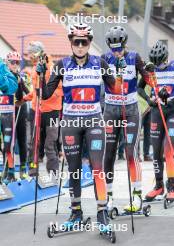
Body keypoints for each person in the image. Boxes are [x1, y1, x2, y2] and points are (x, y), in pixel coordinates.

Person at [39, 23, 117, 229]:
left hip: (94, 121)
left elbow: (116, 89)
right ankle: (76, 213)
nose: (80, 46)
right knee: (73, 170)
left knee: (97, 168)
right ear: (71, 43)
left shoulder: (100, 63)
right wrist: (40, 76)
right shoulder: (61, 65)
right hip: (71, 123)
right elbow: (45, 95)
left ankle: (102, 212)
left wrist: (119, 72)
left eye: (84, 42)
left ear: (90, 43)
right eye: (76, 42)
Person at [102, 26, 149, 212]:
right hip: (111, 110)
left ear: (124, 43)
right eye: (113, 49)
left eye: (119, 48)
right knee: (109, 154)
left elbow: (147, 78)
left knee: (131, 152)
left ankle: (137, 197)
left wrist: (150, 72)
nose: (117, 52)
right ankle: (108, 196)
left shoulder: (134, 57)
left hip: (130, 111)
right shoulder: (105, 59)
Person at [138, 41, 174, 201]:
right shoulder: (150, 70)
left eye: (161, 63)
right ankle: (158, 186)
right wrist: (149, 100)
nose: (159, 67)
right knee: (156, 152)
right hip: (156, 111)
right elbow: (139, 88)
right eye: (156, 63)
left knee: (169, 149)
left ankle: (172, 187)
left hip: (173, 111)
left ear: (166, 59)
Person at [22, 41, 63, 175]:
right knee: (34, 143)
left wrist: (47, 96)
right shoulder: (35, 68)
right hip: (36, 110)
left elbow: (61, 90)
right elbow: (35, 91)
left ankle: (53, 173)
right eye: (29, 55)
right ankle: (33, 173)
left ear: (39, 53)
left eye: (31, 54)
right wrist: (24, 99)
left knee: (50, 144)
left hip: (51, 111)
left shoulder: (52, 68)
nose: (29, 57)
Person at [5, 51, 30, 181]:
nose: (15, 65)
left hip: (20, 109)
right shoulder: (3, 76)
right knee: (8, 141)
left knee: (22, 139)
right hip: (7, 110)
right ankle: (9, 171)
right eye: (12, 62)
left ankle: (23, 169)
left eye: (17, 62)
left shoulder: (21, 76)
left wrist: (21, 83)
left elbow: (27, 93)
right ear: (7, 63)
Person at [0, 57, 18, 183]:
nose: (15, 65)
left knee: (7, 145)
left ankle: (11, 172)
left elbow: (10, 88)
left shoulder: (8, 73)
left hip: (6, 114)